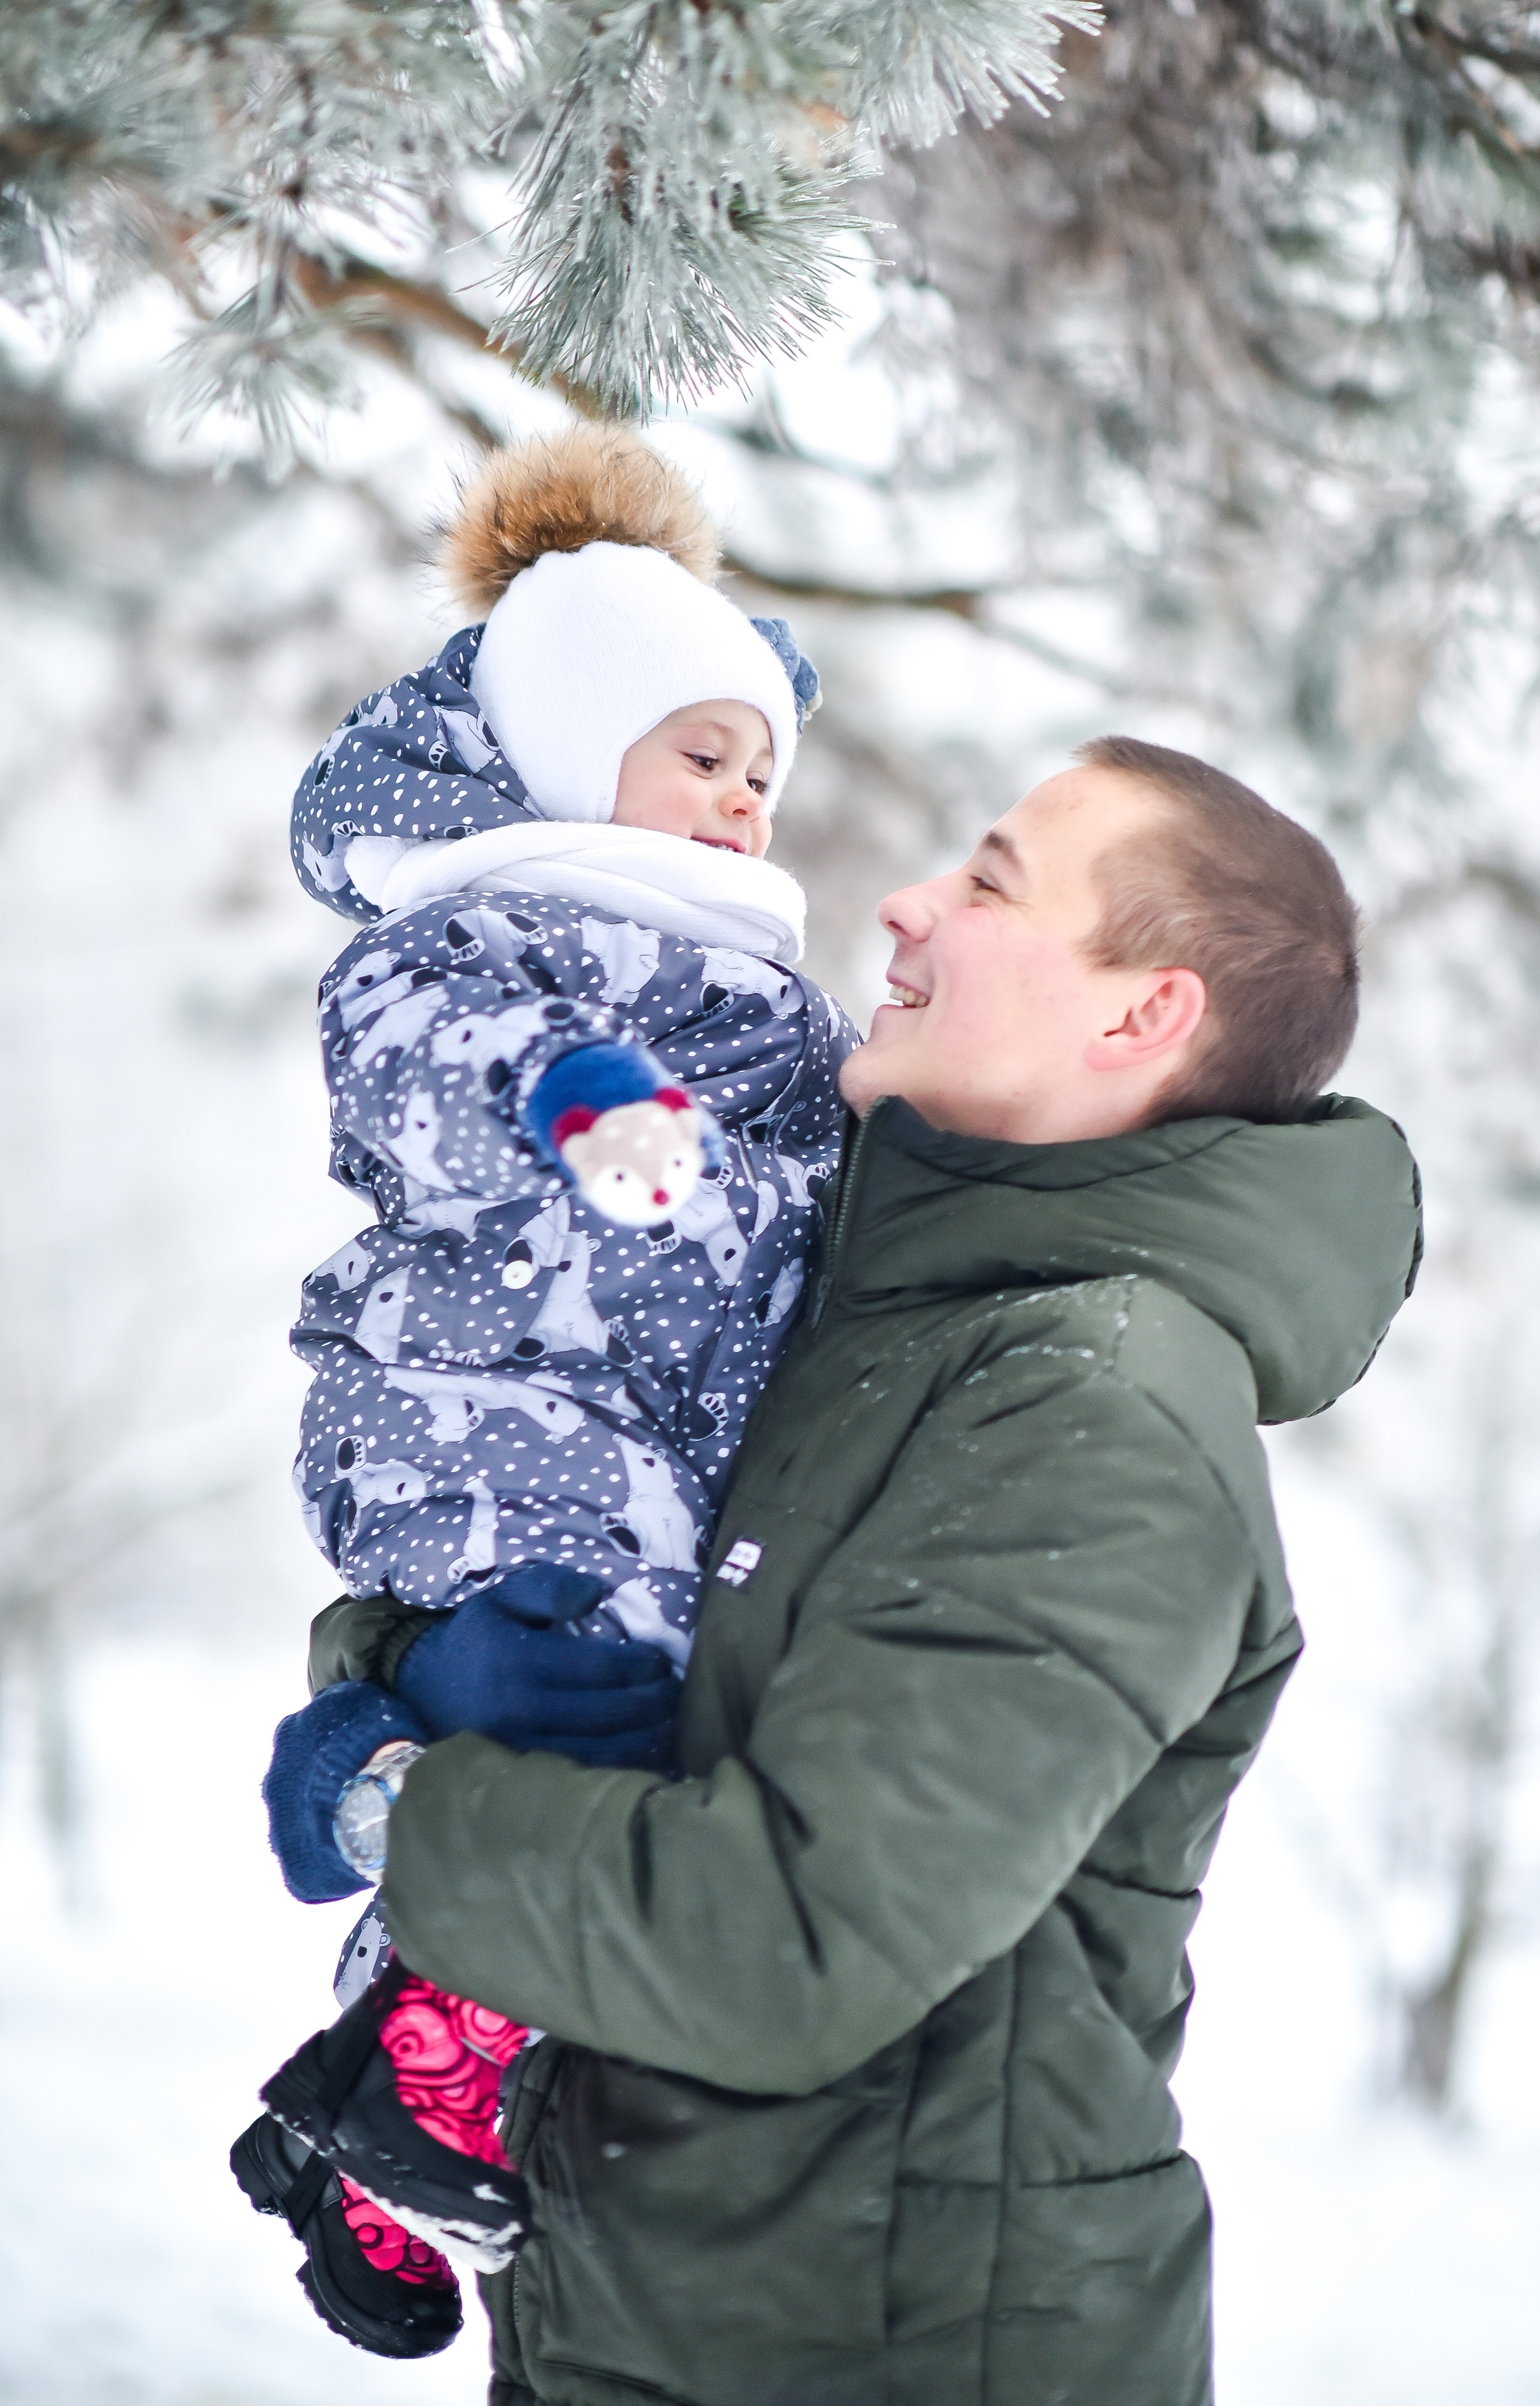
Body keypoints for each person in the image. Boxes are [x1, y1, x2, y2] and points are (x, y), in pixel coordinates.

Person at [257, 734, 1422, 2406]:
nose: (900, 904)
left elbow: (785, 1939)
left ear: (1136, 1013)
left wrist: (397, 1799)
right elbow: (573, 1532)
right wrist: (407, 1660)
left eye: (988, 882)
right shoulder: (866, 1322)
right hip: (661, 2316)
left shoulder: (1087, 1410)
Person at [231, 427, 857, 2359]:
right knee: (580, 1728)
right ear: (583, 748)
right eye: (703, 756)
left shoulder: (767, 979)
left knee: (589, 1753)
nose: (746, 801)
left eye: (761, 770)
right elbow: (404, 1071)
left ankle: (383, 2100)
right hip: (494, 1411)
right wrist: (566, 1086)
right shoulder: (481, 925)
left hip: (645, 1441)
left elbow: (791, 1212)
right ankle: (431, 2061)